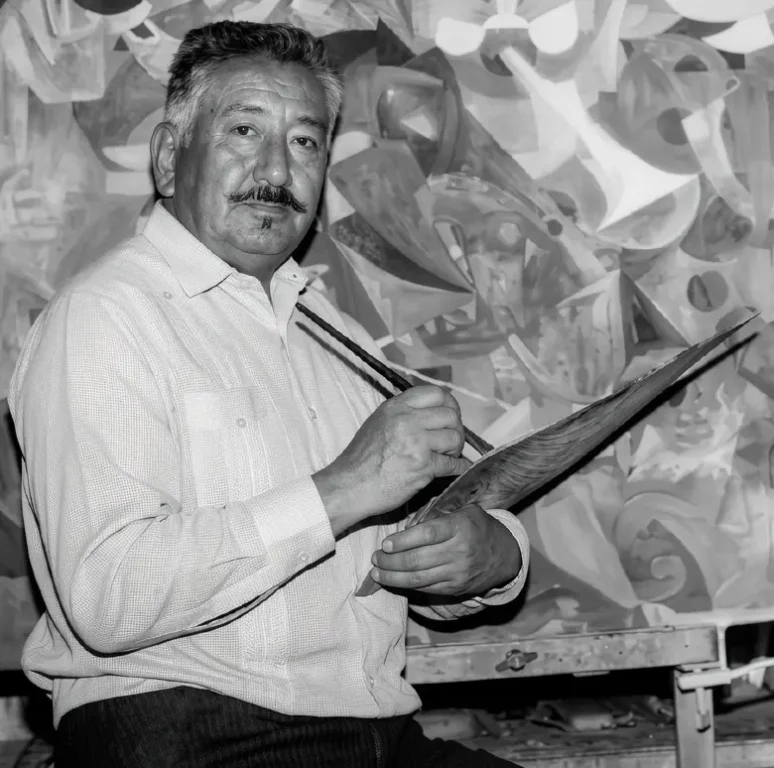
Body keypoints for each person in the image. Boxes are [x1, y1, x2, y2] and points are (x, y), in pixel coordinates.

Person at [8, 21, 528, 768]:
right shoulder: (105, 316)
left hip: (375, 734)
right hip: (186, 733)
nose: (276, 168)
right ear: (168, 157)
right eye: (245, 130)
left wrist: (492, 559)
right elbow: (109, 595)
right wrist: (346, 487)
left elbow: (395, 547)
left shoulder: (334, 332)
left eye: (305, 141)